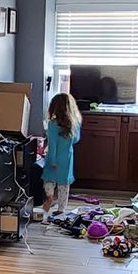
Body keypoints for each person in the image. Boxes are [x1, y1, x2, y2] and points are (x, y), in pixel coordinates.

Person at [39, 93, 82, 222]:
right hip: (67, 159)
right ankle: (61, 210)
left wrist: (52, 160)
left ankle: (50, 196)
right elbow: (76, 140)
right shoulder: (75, 124)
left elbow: (52, 144)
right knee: (64, 185)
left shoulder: (53, 124)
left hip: (54, 158)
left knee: (49, 180)